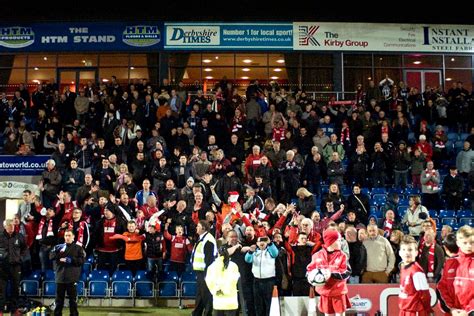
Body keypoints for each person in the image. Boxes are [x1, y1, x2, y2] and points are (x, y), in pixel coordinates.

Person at [307, 229, 351, 316]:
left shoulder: (342, 256)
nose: (341, 243)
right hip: (324, 292)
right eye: (338, 240)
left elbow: (347, 272)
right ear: (331, 242)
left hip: (338, 292)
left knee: (340, 314)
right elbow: (309, 270)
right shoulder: (317, 255)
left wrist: (331, 274)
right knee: (328, 314)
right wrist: (310, 276)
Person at [50, 230, 85, 316]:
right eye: (66, 236)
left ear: (73, 237)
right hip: (60, 277)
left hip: (72, 278)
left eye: (69, 235)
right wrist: (58, 255)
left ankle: (73, 314)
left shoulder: (79, 248)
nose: (67, 237)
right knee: (59, 300)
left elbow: (82, 261)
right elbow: (51, 256)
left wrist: (71, 260)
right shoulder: (58, 247)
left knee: (72, 300)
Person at [398, 235, 432, 316]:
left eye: (410, 250)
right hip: (404, 310)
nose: (407, 252)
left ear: (416, 253)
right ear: (400, 253)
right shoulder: (403, 267)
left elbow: (425, 294)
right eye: (404, 249)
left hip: (414, 312)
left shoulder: (416, 271)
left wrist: (428, 310)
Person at [244, 235, 278, 316]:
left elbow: (275, 253)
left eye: (264, 241)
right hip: (257, 281)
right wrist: (250, 251)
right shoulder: (255, 252)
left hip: (269, 281)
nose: (262, 243)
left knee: (269, 303)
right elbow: (247, 260)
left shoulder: (270, 251)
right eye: (260, 241)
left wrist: (270, 243)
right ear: (257, 243)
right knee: (258, 304)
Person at [0, 219, 27, 314]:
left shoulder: (19, 236)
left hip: (16, 267)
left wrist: (20, 258)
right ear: (5, 226)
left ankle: (14, 310)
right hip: (2, 267)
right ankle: (1, 310)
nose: (12, 226)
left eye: (13, 225)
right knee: (1, 290)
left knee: (15, 289)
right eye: (9, 225)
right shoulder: (0, 237)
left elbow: (24, 248)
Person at [191, 220, 217, 316]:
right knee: (200, 295)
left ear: (203, 228)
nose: (196, 228)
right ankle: (196, 313)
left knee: (206, 295)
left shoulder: (208, 240)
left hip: (205, 273)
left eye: (198, 226)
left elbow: (209, 259)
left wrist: (207, 275)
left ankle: (207, 313)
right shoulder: (203, 238)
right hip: (201, 272)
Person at [205, 247, 241, 316]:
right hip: (231, 302)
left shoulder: (211, 267)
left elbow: (209, 281)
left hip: (218, 302)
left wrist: (216, 290)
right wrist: (225, 290)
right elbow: (234, 280)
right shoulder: (234, 266)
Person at [437, 233, 461, 314]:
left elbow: (440, 289)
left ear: (445, 248)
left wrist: (450, 308)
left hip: (452, 310)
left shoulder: (447, 264)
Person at [452, 225, 474, 315]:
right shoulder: (451, 262)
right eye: (465, 243)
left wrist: (469, 311)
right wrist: (451, 309)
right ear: (458, 243)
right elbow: (442, 287)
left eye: (472, 242)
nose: (469, 246)